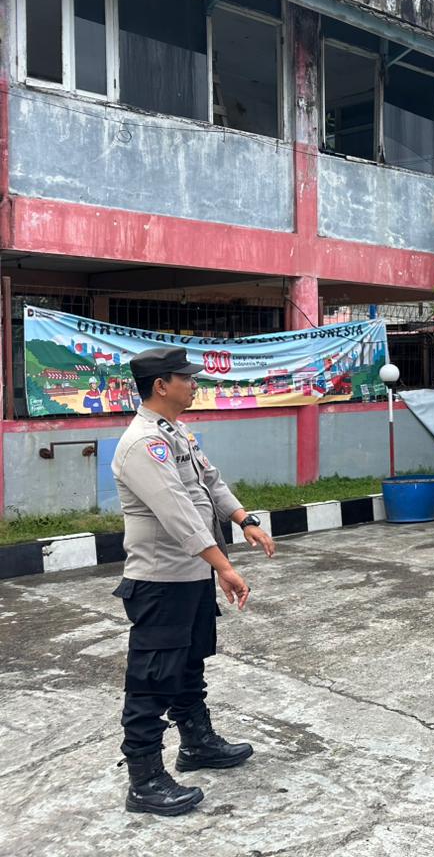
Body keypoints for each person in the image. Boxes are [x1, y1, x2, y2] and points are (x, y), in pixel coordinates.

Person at [111, 348, 276, 816]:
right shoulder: (144, 443)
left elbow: (210, 483)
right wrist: (223, 565)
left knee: (188, 665)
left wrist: (244, 519)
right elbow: (178, 514)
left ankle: (196, 743)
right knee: (152, 679)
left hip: (190, 576)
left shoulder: (176, 432)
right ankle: (144, 780)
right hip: (160, 581)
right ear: (161, 385)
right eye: (186, 378)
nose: (194, 384)